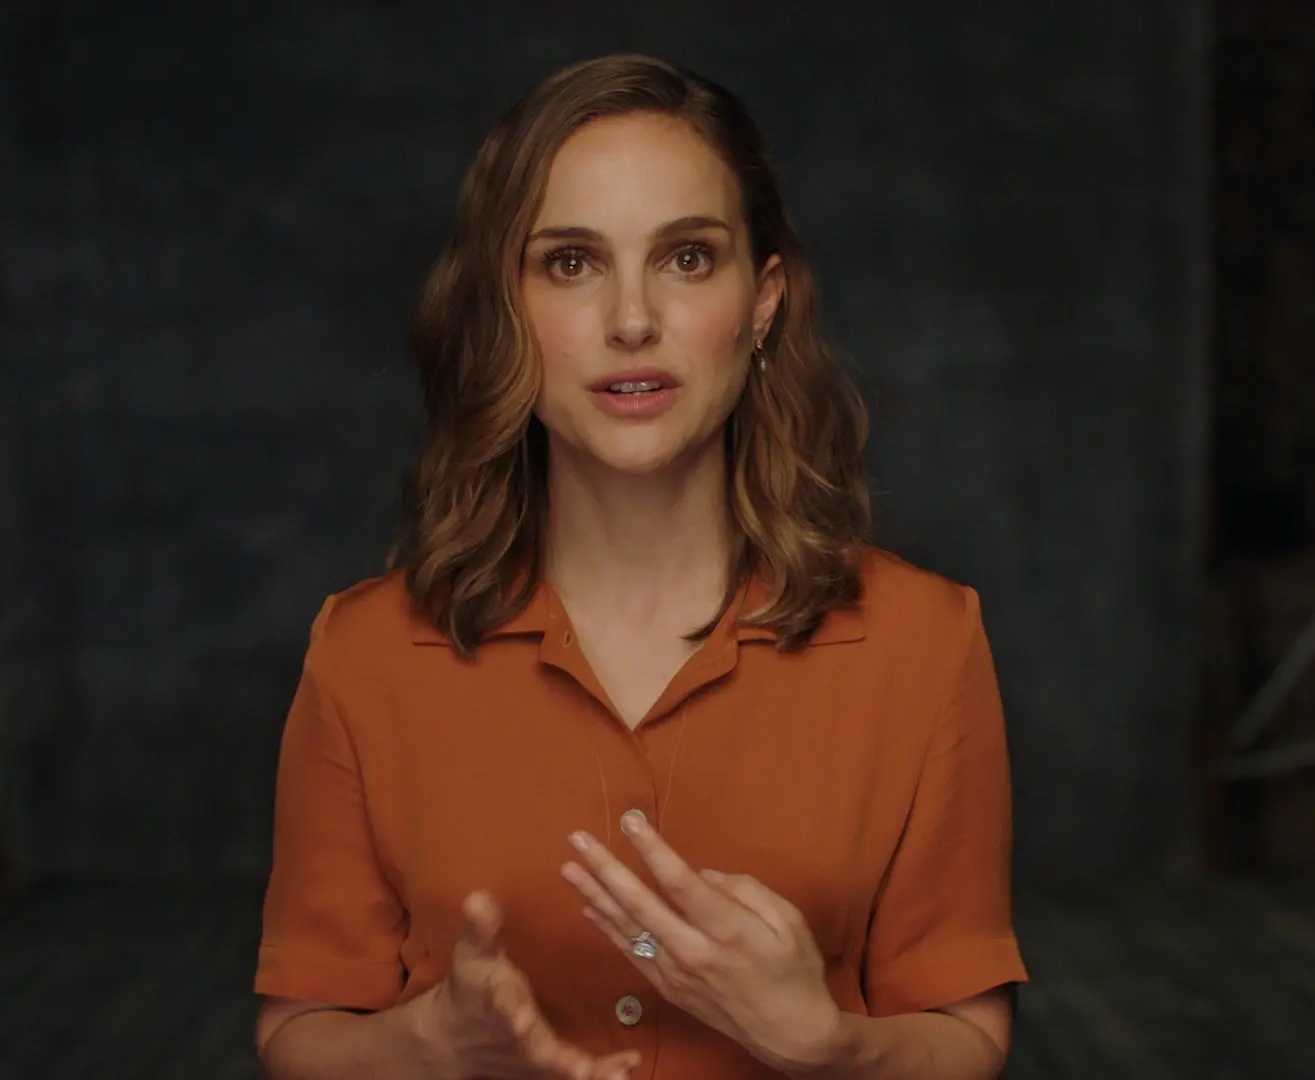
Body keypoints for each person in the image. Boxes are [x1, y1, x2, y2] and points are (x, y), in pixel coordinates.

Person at [253, 53, 1026, 1080]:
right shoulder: (365, 653)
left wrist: (831, 1046)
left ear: (763, 302)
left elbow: (967, 1035)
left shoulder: (925, 643)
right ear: (503, 307)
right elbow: (300, 1033)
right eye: (570, 263)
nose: (631, 320)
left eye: (687, 258)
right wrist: (429, 1045)